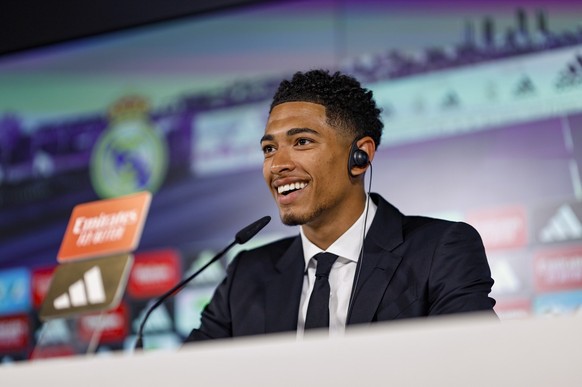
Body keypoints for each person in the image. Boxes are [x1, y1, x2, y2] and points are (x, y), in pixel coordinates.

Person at [186, 69, 495, 341]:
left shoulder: (440, 250)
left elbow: (475, 365)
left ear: (359, 157)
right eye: (269, 148)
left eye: (302, 141)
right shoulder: (246, 275)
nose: (277, 164)